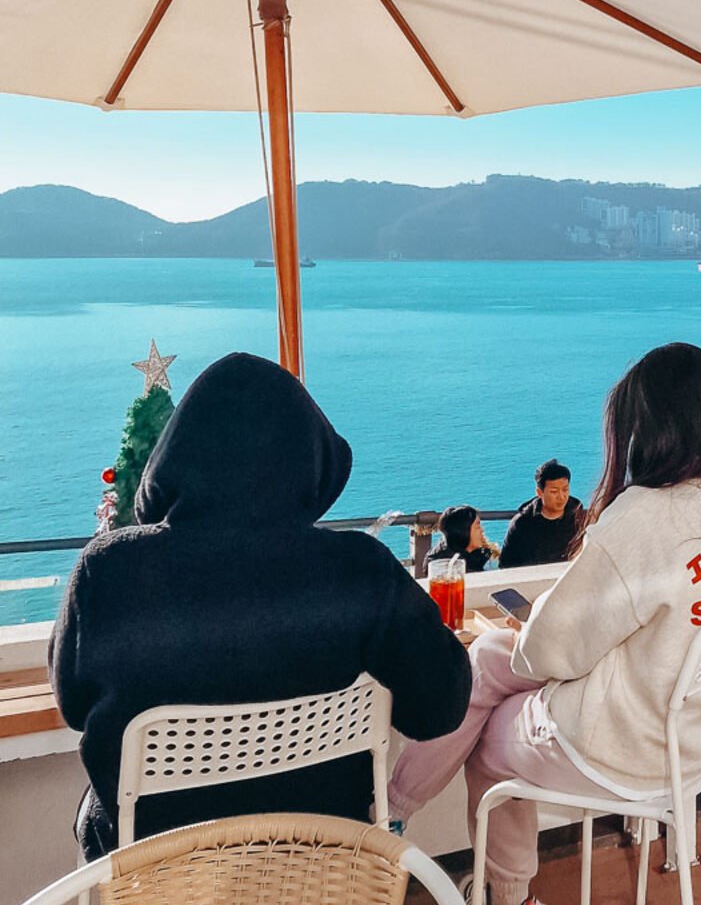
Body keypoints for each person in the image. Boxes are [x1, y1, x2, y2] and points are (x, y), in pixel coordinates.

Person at [388, 343, 701, 905]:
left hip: (630, 747)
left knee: (491, 716)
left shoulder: (646, 517)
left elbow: (554, 651)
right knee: (492, 661)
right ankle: (418, 829)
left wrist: (532, 648)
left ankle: (475, 877)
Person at [50, 353, 472, 856]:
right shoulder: (360, 571)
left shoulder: (109, 572)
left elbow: (74, 707)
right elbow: (439, 708)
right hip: (322, 874)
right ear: (311, 462)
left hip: (159, 890)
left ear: (175, 457)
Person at [499, 460, 585, 568]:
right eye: (554, 491)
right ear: (539, 492)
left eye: (565, 490)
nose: (561, 497)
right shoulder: (522, 524)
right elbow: (506, 565)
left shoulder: (579, 518)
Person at [436, 503, 497, 573]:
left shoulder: (479, 557)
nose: (482, 530)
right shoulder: (446, 566)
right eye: (478, 526)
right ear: (465, 531)